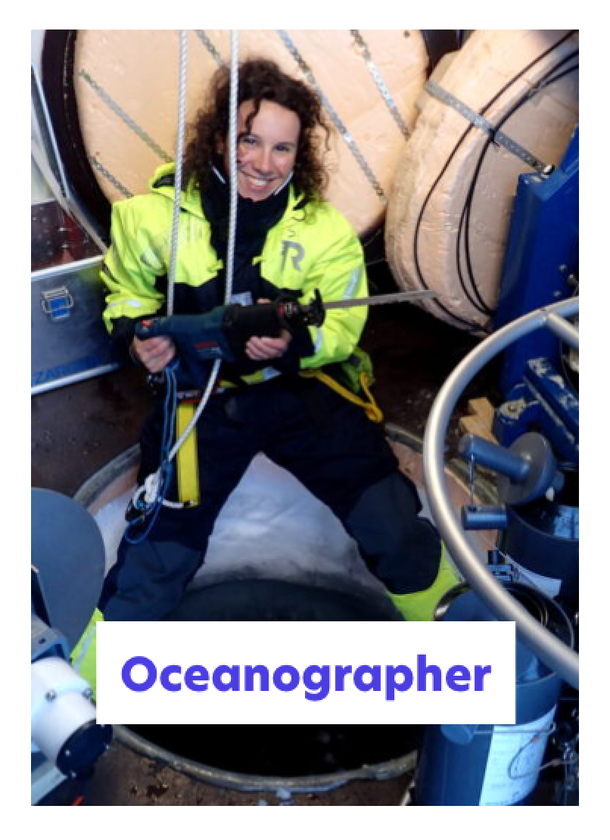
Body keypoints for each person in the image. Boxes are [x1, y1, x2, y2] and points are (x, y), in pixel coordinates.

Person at [97, 57, 459, 622]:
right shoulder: (147, 219)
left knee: (389, 519)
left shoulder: (325, 232)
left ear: (300, 154)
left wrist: (296, 345)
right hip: (199, 402)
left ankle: (470, 652)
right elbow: (125, 295)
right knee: (157, 551)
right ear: (219, 138)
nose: (263, 164)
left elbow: (342, 327)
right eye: (249, 141)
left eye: (282, 149)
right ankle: (91, 690)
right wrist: (138, 338)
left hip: (300, 391)